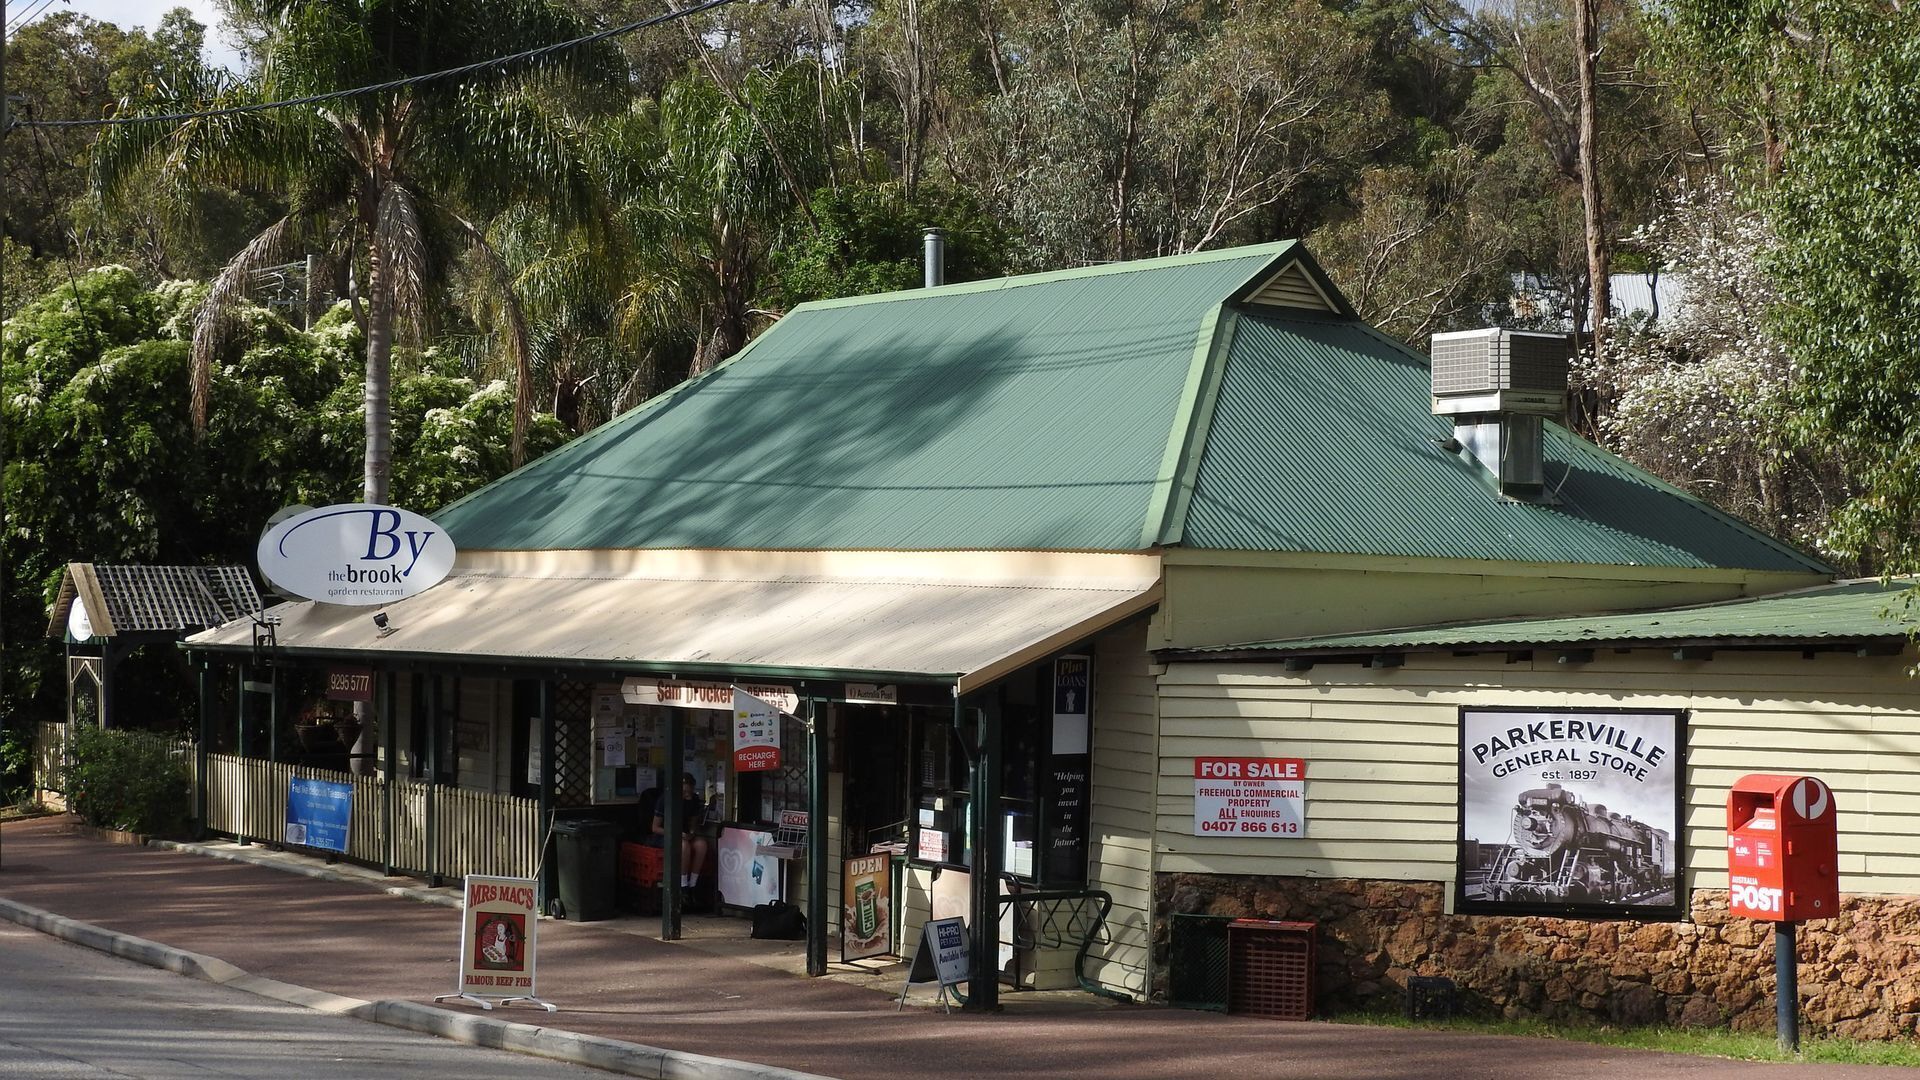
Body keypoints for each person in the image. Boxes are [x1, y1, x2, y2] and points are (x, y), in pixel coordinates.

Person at [648, 772, 711, 889]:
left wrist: (691, 833)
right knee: (684, 846)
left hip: (684, 833)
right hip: (665, 835)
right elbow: (655, 828)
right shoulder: (665, 800)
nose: (687, 794)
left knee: (701, 844)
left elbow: (693, 823)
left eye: (689, 791)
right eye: (684, 792)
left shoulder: (694, 800)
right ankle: (682, 884)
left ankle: (693, 883)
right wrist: (675, 834)